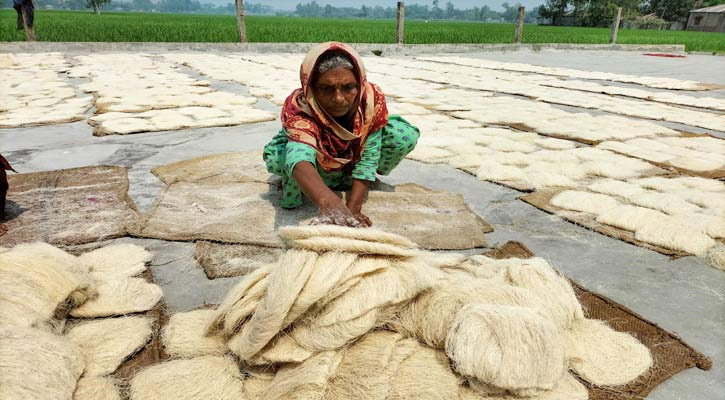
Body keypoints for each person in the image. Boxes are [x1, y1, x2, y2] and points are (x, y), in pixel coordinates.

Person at [263, 42, 419, 228]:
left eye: (348, 87)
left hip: (350, 162)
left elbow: (370, 154)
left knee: (403, 136)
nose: (338, 98)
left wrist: (353, 208)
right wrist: (329, 202)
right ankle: (317, 184)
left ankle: (350, 180)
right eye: (326, 89)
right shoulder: (302, 107)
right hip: (317, 163)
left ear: (359, 84)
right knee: (280, 158)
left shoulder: (369, 101)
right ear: (311, 87)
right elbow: (299, 154)